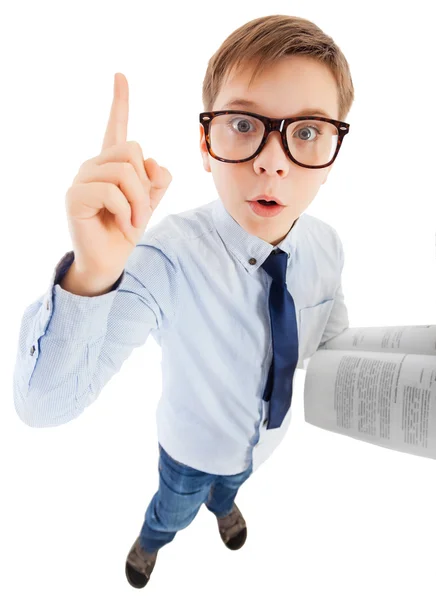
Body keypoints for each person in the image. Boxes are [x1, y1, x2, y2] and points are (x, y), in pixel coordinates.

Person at [12, 14, 352, 590]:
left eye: (307, 132)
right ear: (206, 144)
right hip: (188, 450)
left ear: (334, 152)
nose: (273, 161)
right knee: (174, 505)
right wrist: (94, 272)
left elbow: (332, 333)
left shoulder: (326, 245)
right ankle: (151, 542)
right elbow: (42, 406)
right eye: (244, 124)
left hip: (261, 445)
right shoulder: (165, 257)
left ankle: (226, 507)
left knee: (233, 487)